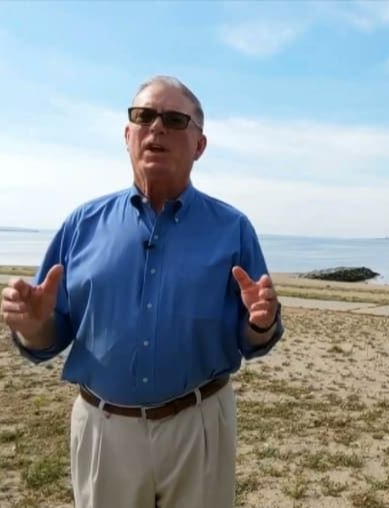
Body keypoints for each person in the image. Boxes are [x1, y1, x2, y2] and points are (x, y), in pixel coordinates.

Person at [0, 75, 284, 508]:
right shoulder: (82, 225)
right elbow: (48, 337)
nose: (157, 128)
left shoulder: (233, 229)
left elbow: (253, 337)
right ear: (127, 134)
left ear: (199, 145)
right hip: (103, 429)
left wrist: (261, 324)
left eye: (174, 119)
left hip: (200, 426)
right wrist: (34, 327)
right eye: (144, 116)